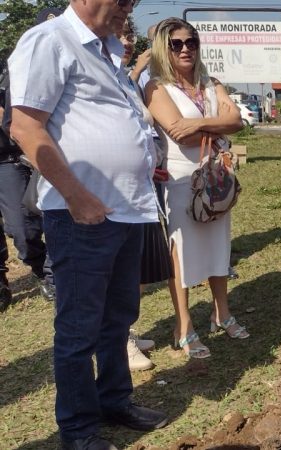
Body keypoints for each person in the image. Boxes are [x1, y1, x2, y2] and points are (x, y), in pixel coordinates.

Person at [8, 0, 170, 448]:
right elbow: (26, 127)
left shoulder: (107, 51)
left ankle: (114, 399)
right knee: (79, 327)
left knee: (119, 319)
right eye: (121, 0)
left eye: (132, 3)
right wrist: (78, 198)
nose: (127, 9)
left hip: (127, 209)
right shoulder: (50, 40)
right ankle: (78, 430)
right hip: (82, 214)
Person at [145, 17, 247, 360]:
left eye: (191, 42)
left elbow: (237, 121)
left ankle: (222, 312)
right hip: (181, 180)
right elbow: (177, 132)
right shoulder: (156, 88)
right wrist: (214, 127)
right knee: (182, 253)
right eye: (177, 44)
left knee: (220, 244)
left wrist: (200, 122)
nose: (186, 48)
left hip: (215, 176)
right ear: (165, 48)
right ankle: (184, 326)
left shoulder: (210, 83)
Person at [118, 18, 166, 372]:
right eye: (118, 34)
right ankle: (120, 341)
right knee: (117, 273)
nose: (125, 40)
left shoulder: (122, 78)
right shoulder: (112, 76)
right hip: (112, 196)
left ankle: (127, 331)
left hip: (141, 191)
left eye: (128, 34)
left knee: (136, 272)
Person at [0, 24, 57, 308]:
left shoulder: (9, 68)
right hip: (6, 163)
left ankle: (53, 274)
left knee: (54, 216)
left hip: (33, 152)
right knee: (21, 231)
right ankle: (41, 269)